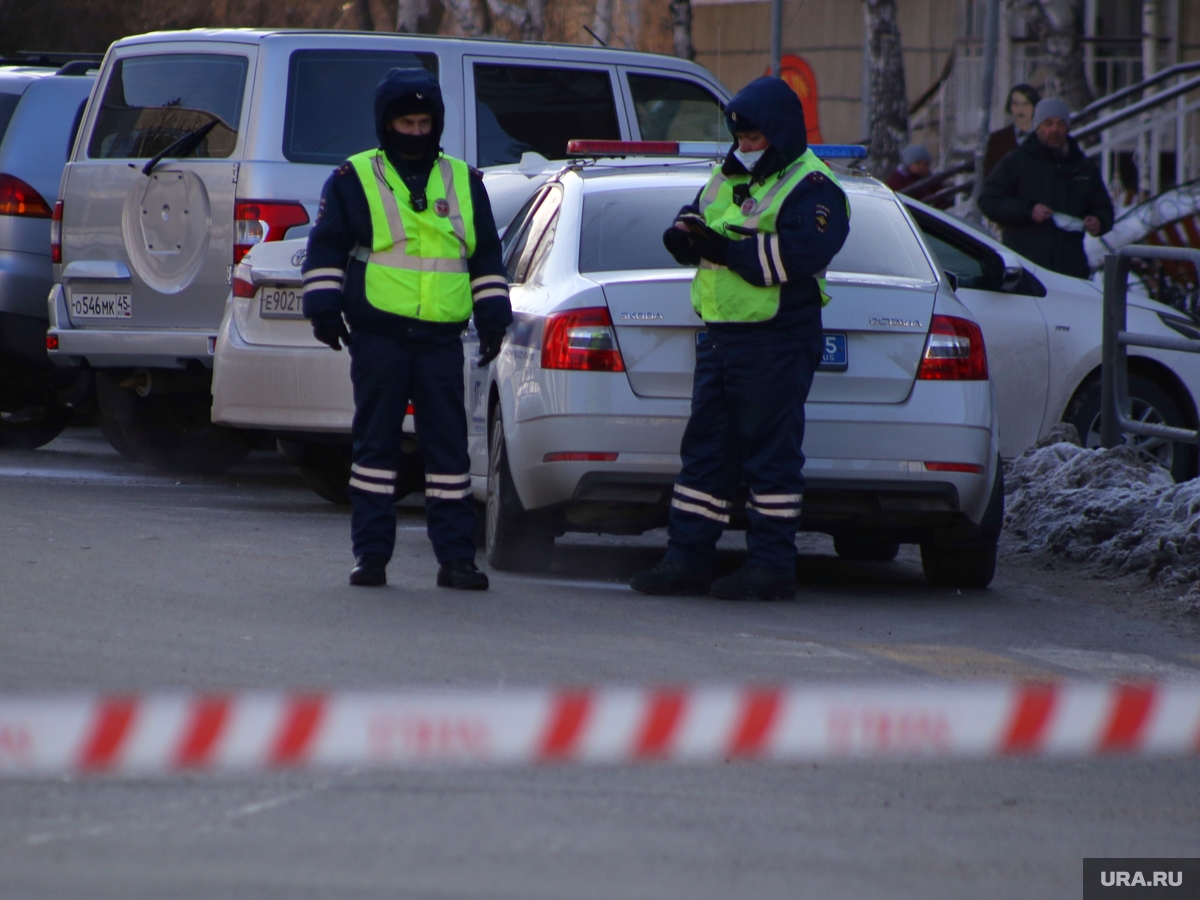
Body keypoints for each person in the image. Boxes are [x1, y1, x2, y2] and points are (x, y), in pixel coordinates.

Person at [628, 76, 851, 601]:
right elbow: (702, 218)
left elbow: (800, 256)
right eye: (740, 139)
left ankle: (771, 568)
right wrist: (685, 237)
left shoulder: (813, 187)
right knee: (705, 455)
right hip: (722, 338)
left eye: (754, 139)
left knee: (770, 457)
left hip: (776, 339)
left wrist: (726, 252)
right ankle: (687, 560)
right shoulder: (726, 174)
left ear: (778, 134)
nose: (744, 148)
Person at [302, 68, 512, 588]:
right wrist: (323, 308)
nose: (415, 132)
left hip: (441, 338)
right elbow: (326, 246)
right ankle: (370, 557)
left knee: (450, 455)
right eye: (405, 122)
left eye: (424, 122)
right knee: (375, 449)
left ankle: (456, 560)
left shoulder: (464, 180)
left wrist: (493, 316)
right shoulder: (354, 178)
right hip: (380, 335)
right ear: (385, 123)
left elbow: (485, 255)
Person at [979, 96, 1114, 280]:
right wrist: (1028, 210)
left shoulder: (1083, 166)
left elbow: (1104, 208)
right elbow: (988, 201)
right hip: (1026, 270)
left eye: (1060, 124)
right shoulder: (1017, 162)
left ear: (1067, 127)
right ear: (1037, 127)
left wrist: (1099, 221)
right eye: (1048, 123)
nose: (1054, 130)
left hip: (1070, 273)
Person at [982, 83, 1041, 178]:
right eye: (1016, 104)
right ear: (1010, 106)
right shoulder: (997, 139)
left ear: (1034, 107)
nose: (1020, 110)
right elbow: (990, 177)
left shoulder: (1044, 137)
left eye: (1025, 104)